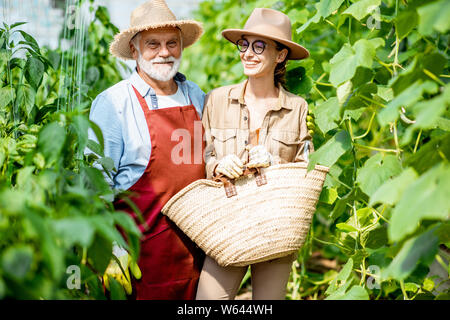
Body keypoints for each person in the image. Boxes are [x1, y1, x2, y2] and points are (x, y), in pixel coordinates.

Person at [86, 0, 206, 299]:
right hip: (140, 263)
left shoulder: (197, 97)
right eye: (153, 44)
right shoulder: (115, 103)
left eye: (172, 43)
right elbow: (94, 183)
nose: (164, 52)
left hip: (198, 260)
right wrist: (109, 247)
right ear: (135, 50)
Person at [196, 8, 314, 300]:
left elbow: (307, 169)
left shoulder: (298, 108)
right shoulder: (217, 99)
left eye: (259, 46)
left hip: (276, 226)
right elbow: (202, 153)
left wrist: (273, 164)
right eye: (244, 44)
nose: (247, 53)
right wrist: (218, 165)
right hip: (226, 225)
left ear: (281, 56)